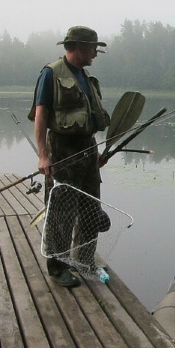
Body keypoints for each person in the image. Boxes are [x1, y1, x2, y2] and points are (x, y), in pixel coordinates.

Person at [28, 26, 111, 288]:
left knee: (90, 206)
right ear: (78, 47)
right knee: (61, 210)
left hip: (88, 149)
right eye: (92, 49)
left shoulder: (86, 77)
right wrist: (43, 155)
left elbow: (87, 120)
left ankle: (84, 259)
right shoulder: (51, 73)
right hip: (62, 149)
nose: (95, 54)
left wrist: (96, 156)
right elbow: (41, 115)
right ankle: (57, 266)